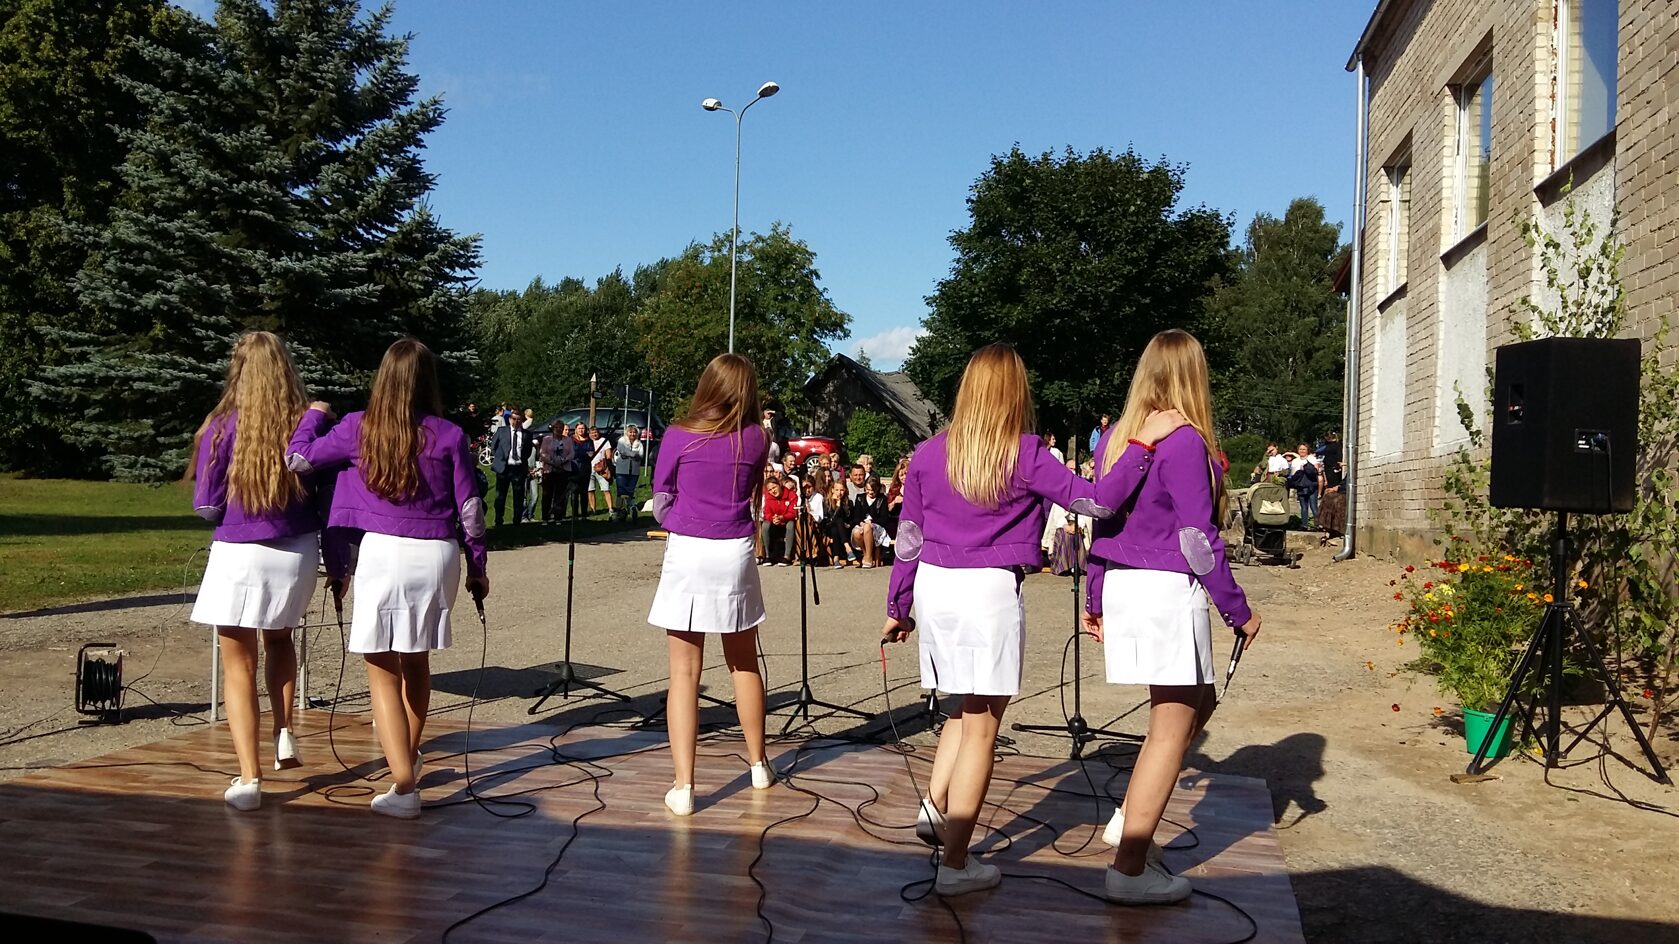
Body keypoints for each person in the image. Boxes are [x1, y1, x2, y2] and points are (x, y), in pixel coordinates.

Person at [881, 342, 1116, 897]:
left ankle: (935, 807)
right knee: (984, 725)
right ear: (1015, 393)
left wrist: (898, 606)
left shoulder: (928, 453)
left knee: (963, 706)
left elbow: (908, 537)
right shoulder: (1028, 453)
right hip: (987, 589)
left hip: (935, 585)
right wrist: (1138, 457)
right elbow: (1095, 503)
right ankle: (956, 864)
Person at [1085, 328, 1260, 904]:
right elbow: (1196, 537)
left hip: (1125, 583)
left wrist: (1095, 594)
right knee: (1171, 726)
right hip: (1163, 588)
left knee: (1194, 705)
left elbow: (1101, 522)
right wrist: (1236, 609)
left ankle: (1130, 819)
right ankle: (1129, 867)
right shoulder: (1183, 441)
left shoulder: (1117, 437)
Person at [287, 338, 490, 819]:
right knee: (416, 661)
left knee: (380, 668)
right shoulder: (449, 434)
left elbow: (298, 459)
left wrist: (314, 414)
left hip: (385, 553)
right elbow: (471, 510)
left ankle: (403, 786)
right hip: (437, 554)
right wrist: (478, 566)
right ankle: (407, 759)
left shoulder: (358, 427)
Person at [187, 331, 325, 811]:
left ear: (238, 369)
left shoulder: (222, 425)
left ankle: (250, 778)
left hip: (240, 549)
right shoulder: (305, 423)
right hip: (296, 549)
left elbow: (207, 506)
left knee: (238, 664)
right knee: (280, 641)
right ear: (286, 368)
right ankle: (283, 730)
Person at [647, 353, 776, 816]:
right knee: (743, 663)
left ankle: (684, 786)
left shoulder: (678, 434)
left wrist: (681, 519)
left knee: (684, 673)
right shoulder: (757, 438)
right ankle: (759, 764)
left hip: (689, 549)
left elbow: (660, 499)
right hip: (735, 550)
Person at [490, 408, 533, 526]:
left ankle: (517, 520)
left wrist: (521, 460)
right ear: (509, 419)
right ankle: (498, 520)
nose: (516, 422)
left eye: (518, 420)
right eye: (514, 419)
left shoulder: (527, 434)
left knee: (518, 495)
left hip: (518, 468)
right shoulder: (502, 431)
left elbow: (528, 451)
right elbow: (493, 446)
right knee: (500, 496)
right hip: (504, 468)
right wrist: (500, 459)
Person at [539, 420, 574, 523]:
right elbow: (542, 453)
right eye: (556, 427)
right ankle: (545, 517)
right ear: (553, 428)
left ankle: (558, 517)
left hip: (563, 469)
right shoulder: (546, 439)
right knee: (547, 495)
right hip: (549, 470)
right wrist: (552, 461)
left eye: (560, 428)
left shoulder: (568, 440)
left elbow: (572, 453)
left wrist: (564, 460)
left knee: (560, 494)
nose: (558, 429)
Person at [758, 475, 797, 565]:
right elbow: (766, 513)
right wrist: (773, 518)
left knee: (790, 524)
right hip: (774, 522)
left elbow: (793, 512)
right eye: (770, 490)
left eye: (774, 487)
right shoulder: (769, 497)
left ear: (779, 485)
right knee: (765, 525)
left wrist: (782, 517)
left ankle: (787, 556)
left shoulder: (791, 495)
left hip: (786, 521)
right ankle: (767, 555)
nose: (773, 491)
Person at [614, 424, 647, 522]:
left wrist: (631, 455)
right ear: (627, 433)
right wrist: (633, 455)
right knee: (621, 491)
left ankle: (631, 508)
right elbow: (622, 451)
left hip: (634, 471)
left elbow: (641, 454)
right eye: (630, 432)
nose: (632, 434)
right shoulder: (621, 441)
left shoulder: (639, 444)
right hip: (622, 470)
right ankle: (619, 511)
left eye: (634, 432)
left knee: (630, 491)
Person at [1319, 432, 1347, 539]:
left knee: (1335, 499)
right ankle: (1326, 526)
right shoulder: (1328, 447)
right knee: (1327, 496)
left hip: (1335, 473)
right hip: (1330, 471)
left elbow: (1339, 459)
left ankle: (1335, 528)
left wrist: (1338, 466)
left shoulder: (1337, 446)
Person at [1289, 443, 1320, 530]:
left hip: (1311, 485)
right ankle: (1304, 525)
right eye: (1300, 449)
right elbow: (1293, 473)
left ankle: (1317, 525)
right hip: (1301, 486)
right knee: (1303, 506)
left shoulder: (1312, 458)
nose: (1302, 451)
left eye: (1304, 449)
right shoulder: (1295, 461)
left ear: (1307, 450)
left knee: (1313, 506)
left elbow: (1316, 471)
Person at [824, 480, 854, 567]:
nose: (839, 493)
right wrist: (837, 506)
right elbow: (831, 520)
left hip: (844, 529)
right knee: (837, 522)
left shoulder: (849, 503)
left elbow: (851, 518)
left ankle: (836, 558)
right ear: (832, 490)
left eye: (841, 490)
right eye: (837, 490)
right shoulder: (827, 502)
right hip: (829, 527)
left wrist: (849, 524)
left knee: (836, 528)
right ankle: (847, 548)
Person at [587, 425, 614, 516]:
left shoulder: (604, 441)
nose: (594, 434)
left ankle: (610, 508)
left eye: (595, 432)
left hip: (602, 468)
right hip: (590, 468)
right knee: (590, 490)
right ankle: (593, 509)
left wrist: (607, 466)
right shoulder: (587, 442)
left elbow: (608, 455)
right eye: (592, 433)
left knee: (606, 489)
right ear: (589, 434)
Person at [569, 423, 591, 519]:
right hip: (574, 468)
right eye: (579, 428)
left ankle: (584, 514)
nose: (581, 430)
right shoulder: (571, 440)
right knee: (574, 492)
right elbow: (572, 453)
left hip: (585, 468)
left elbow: (591, 453)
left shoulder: (589, 441)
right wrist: (584, 453)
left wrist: (581, 453)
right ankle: (574, 514)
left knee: (584, 492)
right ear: (576, 429)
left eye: (583, 428)